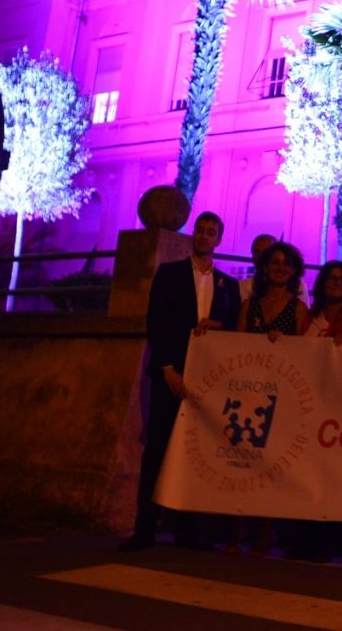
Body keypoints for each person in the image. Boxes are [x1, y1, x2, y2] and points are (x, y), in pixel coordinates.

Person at [119, 211, 241, 552]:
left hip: (207, 383)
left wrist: (217, 327)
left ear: (219, 239)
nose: (203, 236)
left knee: (196, 454)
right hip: (170, 377)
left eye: (210, 232)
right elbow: (155, 321)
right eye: (199, 231)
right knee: (157, 449)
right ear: (194, 236)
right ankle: (145, 528)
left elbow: (233, 330)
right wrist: (166, 367)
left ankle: (187, 531)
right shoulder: (170, 274)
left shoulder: (228, 285)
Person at [227, 241, 310, 557]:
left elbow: (303, 354)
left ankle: (263, 534)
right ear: (264, 268)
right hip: (249, 392)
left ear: (293, 271)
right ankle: (235, 532)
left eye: (285, 263)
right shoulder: (250, 305)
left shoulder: (299, 309)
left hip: (281, 396)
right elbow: (235, 345)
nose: (279, 267)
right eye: (273, 262)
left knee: (270, 466)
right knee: (240, 465)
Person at [238, 234, 277, 302]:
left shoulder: (296, 287)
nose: (261, 256)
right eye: (257, 252)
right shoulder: (241, 287)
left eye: (266, 252)